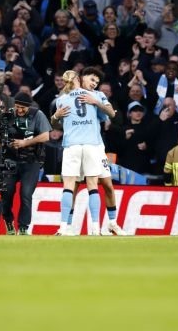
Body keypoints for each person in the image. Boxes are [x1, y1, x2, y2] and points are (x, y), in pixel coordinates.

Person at [52, 68, 125, 236]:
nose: (94, 83)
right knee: (78, 185)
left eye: (97, 82)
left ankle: (112, 223)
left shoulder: (97, 95)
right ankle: (74, 226)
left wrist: (96, 101)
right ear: (81, 78)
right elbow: (56, 123)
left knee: (106, 184)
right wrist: (56, 116)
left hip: (96, 147)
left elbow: (113, 114)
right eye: (92, 79)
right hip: (88, 145)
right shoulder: (64, 98)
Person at [0, 92, 51, 235]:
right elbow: (0, 135)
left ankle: (23, 228)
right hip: (10, 161)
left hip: (31, 161)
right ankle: (9, 222)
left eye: (24, 108)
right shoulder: (8, 115)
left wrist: (25, 143)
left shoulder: (38, 115)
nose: (20, 110)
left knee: (26, 193)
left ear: (29, 106)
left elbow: (46, 136)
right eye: (18, 106)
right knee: (6, 193)